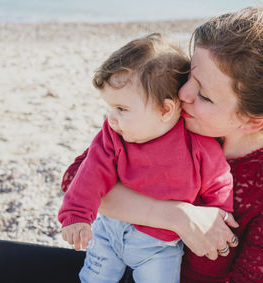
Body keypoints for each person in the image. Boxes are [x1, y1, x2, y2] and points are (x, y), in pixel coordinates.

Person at [0, 6, 263, 283]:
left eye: (204, 95)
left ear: (252, 121)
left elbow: (254, 279)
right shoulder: (174, 114)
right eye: (189, 78)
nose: (183, 95)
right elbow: (76, 178)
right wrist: (178, 216)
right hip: (109, 264)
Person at [58, 33, 233, 283]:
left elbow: (219, 183)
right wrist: (76, 215)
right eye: (110, 107)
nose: (112, 118)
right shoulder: (113, 135)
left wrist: (216, 220)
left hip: (158, 246)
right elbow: (90, 172)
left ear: (165, 109)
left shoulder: (198, 145)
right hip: (109, 231)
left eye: (122, 109)